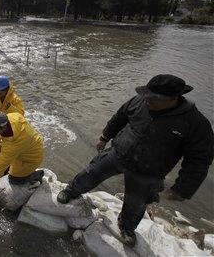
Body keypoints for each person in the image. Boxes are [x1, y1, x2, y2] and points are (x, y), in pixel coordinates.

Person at [56, 74, 214, 247]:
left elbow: (199, 160)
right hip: (119, 153)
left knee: (136, 204)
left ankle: (126, 227)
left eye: (153, 98)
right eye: (146, 94)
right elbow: (120, 117)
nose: (146, 100)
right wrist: (104, 136)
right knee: (91, 173)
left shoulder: (195, 124)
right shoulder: (141, 101)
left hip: (148, 171)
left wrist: (181, 190)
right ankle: (71, 191)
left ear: (172, 99)